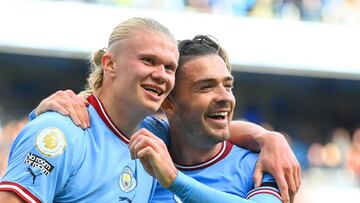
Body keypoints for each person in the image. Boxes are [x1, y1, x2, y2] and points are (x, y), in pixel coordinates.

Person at [25, 35, 300, 203]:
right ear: (168, 102)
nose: (225, 97)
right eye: (205, 87)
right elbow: (95, 117)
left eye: (228, 85)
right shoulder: (144, 139)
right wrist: (44, 113)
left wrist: (174, 180)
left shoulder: (260, 165)